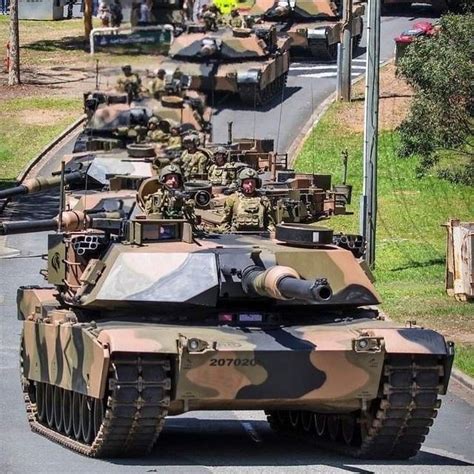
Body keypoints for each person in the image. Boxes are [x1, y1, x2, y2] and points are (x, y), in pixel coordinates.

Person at [222, 167, 274, 232]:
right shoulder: (232, 199)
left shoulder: (264, 200)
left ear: (257, 183)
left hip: (259, 237)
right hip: (236, 236)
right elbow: (224, 222)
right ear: (241, 183)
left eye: (252, 182)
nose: (250, 185)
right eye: (247, 182)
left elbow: (270, 223)